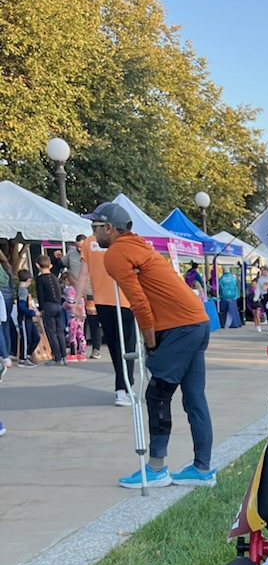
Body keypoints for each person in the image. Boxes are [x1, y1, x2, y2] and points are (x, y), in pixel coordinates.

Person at [90, 201, 216, 488]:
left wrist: (151, 343)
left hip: (179, 327)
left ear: (109, 228)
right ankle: (202, 468)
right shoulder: (140, 246)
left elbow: (138, 302)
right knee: (194, 397)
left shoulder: (116, 254)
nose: (92, 233)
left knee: (157, 394)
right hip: (198, 321)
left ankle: (156, 468)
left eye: (95, 226)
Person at [77, 225, 136, 402]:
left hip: (102, 300)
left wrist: (77, 301)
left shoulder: (89, 243)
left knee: (114, 345)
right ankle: (125, 386)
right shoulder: (119, 239)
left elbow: (83, 274)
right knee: (127, 345)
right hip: (124, 299)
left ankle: (122, 388)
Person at [35, 256, 67, 365]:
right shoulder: (54, 277)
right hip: (58, 305)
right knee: (60, 331)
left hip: (48, 306)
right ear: (50, 266)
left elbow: (40, 295)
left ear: (37, 266)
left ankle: (57, 356)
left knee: (51, 332)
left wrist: (41, 309)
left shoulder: (40, 279)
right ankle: (64, 355)